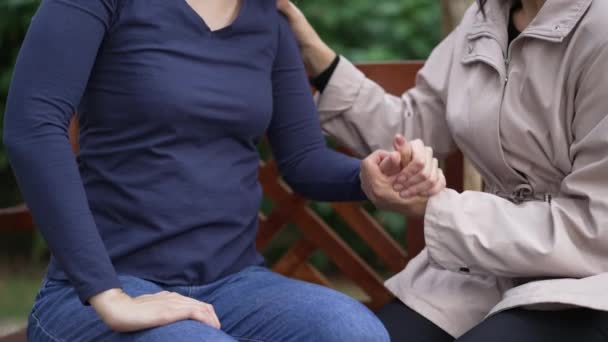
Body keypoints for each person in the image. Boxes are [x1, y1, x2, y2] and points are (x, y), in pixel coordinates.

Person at [3, 0, 445, 341]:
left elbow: (304, 161)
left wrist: (365, 179)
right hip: (100, 288)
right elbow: (32, 127)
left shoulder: (267, 20)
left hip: (234, 286)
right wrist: (110, 296)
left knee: (355, 332)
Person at [278, 0, 608, 340]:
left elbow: (595, 229)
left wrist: (437, 208)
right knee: (370, 336)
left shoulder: (601, 28)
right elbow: (410, 124)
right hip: (489, 270)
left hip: (588, 282)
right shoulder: (484, 19)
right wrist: (314, 53)